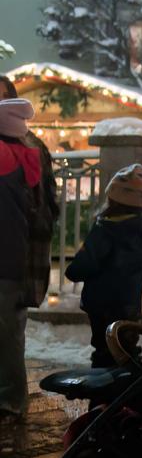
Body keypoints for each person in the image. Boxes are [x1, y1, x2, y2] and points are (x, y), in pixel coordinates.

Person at [65, 163, 142, 368]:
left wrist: (73, 270)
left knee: (105, 349)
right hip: (129, 301)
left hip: (102, 302)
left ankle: (104, 394)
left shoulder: (106, 230)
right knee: (126, 347)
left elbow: (87, 261)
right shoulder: (140, 228)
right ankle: (133, 388)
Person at [0, 75, 60, 324]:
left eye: (2, 97)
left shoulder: (29, 146)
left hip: (15, 256)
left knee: (10, 334)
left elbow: (45, 201)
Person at [0, 98, 41, 421]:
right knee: (12, 330)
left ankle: (11, 399)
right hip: (19, 257)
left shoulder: (2, 155)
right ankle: (14, 396)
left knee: (6, 333)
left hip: (4, 257)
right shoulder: (25, 154)